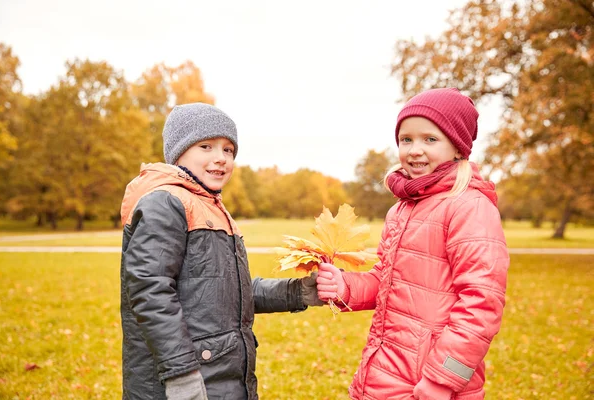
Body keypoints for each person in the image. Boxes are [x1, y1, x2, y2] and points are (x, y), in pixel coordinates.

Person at [119, 103, 323, 400]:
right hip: (184, 380)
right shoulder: (165, 202)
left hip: (220, 377)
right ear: (178, 152)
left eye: (228, 150)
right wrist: (180, 374)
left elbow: (231, 291)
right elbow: (151, 292)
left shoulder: (213, 209)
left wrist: (298, 292)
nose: (220, 158)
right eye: (206, 146)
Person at [317, 88, 509, 400]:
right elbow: (386, 279)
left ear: (458, 147)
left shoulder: (469, 207)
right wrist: (345, 287)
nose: (414, 150)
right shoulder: (402, 209)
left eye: (429, 139)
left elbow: (481, 303)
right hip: (388, 370)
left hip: (430, 381)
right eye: (406, 139)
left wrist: (443, 379)